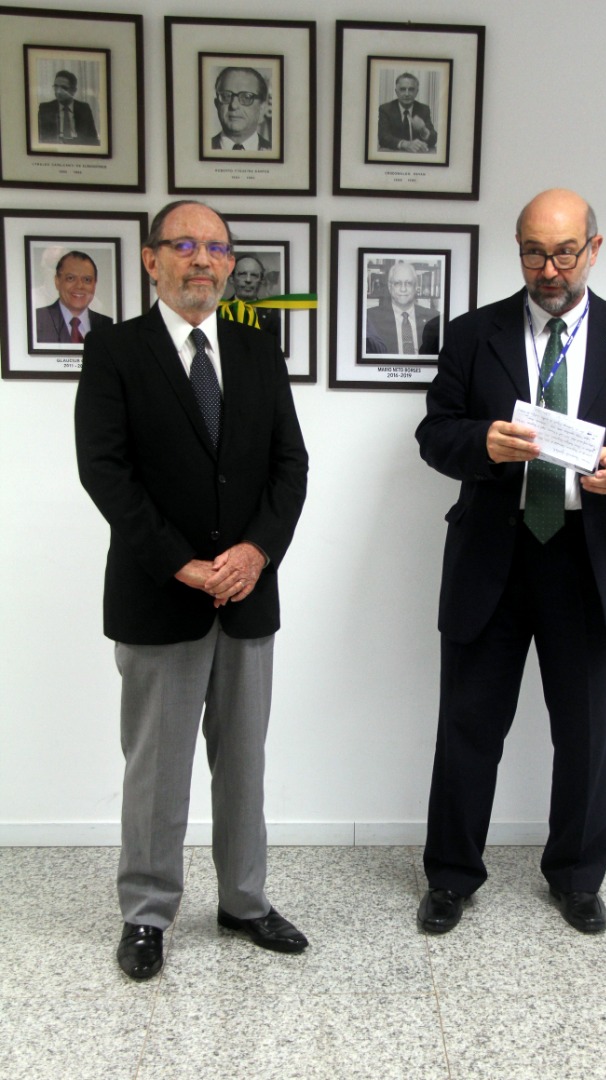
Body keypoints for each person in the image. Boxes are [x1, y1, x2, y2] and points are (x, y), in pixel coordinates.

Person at [415, 188, 606, 937]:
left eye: (565, 253)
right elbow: (435, 433)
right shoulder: (473, 335)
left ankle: (576, 877)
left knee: (587, 732)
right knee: (468, 726)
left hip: (589, 562)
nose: (549, 270)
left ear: (594, 249)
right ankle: (451, 877)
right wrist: (481, 444)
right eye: (534, 253)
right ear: (519, 251)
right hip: (492, 558)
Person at [75, 200, 309, 980]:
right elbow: (105, 472)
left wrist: (255, 552)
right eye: (183, 244)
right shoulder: (115, 350)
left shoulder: (258, 348)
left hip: (247, 598)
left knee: (243, 765)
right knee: (157, 769)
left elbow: (290, 466)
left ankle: (244, 902)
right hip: (157, 597)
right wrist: (182, 563)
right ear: (152, 260)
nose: (202, 259)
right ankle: (146, 914)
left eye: (216, 247)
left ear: (230, 263)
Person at [35, 251, 112, 344]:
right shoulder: (36, 320)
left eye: (87, 279)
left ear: (95, 284)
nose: (79, 285)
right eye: (71, 278)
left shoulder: (109, 326)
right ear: (57, 281)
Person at [366, 261, 436, 355]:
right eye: (398, 283)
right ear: (390, 287)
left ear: (416, 287)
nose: (403, 289)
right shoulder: (370, 318)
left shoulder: (434, 318)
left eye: (408, 283)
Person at [211, 67, 270, 151]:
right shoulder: (202, 148)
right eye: (226, 96)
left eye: (246, 97)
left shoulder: (274, 150)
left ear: (262, 108)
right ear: (217, 104)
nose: (234, 105)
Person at [378, 73, 437, 153]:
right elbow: (383, 137)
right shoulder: (385, 109)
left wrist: (423, 130)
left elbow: (434, 139)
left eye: (411, 89)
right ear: (396, 92)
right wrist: (405, 144)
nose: (407, 94)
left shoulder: (423, 109)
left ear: (416, 92)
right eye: (402, 89)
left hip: (416, 155)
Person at [37, 70, 99, 146]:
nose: (58, 91)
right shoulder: (45, 109)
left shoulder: (84, 109)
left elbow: (93, 139)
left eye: (63, 88)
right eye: (56, 87)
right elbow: (40, 138)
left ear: (74, 91)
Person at [226, 254, 281, 337]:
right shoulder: (219, 312)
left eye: (254, 275)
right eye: (242, 274)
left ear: (261, 280)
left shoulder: (273, 316)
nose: (248, 280)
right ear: (231, 278)